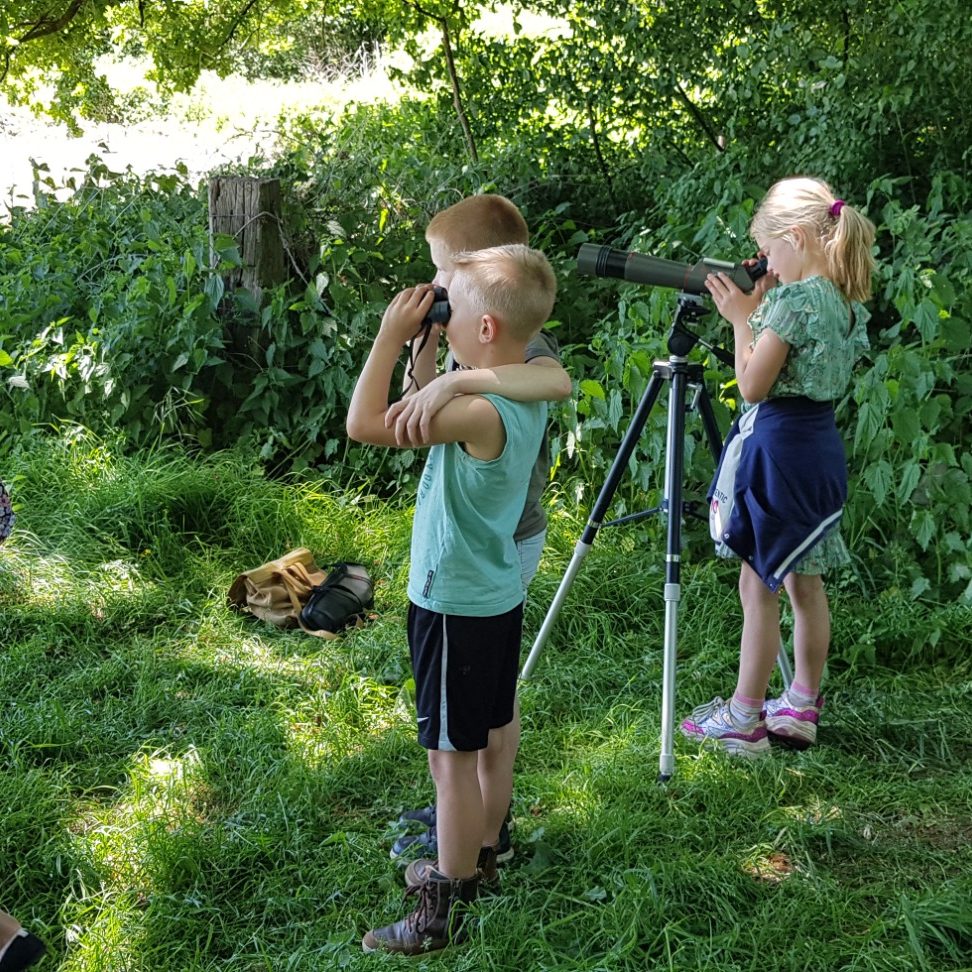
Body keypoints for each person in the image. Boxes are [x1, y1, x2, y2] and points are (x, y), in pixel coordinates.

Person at [347, 243, 558, 953]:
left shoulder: (477, 412)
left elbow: (366, 423)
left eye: (453, 307)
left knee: (449, 758)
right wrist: (432, 351)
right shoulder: (520, 387)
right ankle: (480, 857)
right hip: (494, 593)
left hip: (451, 604)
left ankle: (439, 909)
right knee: (488, 730)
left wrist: (389, 336)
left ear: (486, 329)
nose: (444, 312)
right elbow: (427, 396)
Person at [382, 195, 570, 865]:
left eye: (441, 272)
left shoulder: (522, 342)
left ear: (476, 270)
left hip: (500, 539)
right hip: (491, 538)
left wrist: (454, 386)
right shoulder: (480, 329)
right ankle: (474, 817)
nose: (434, 286)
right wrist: (429, 362)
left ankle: (479, 828)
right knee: (486, 695)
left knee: (481, 706)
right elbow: (424, 401)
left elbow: (557, 382)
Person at [680, 176, 875, 756]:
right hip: (819, 449)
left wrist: (743, 317)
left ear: (795, 237)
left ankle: (744, 717)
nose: (766, 263)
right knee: (803, 583)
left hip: (780, 453)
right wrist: (762, 302)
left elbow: (752, 385)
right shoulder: (843, 302)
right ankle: (800, 705)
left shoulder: (790, 303)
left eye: (768, 252)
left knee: (757, 582)